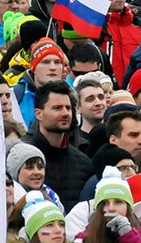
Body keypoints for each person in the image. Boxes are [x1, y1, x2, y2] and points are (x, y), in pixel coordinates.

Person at [22, 81, 94, 210]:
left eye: (68, 108)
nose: (65, 113)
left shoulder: (83, 163)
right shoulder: (23, 159)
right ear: (38, 114)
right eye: (57, 108)